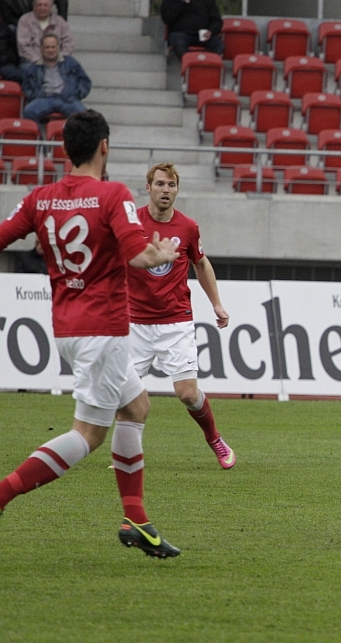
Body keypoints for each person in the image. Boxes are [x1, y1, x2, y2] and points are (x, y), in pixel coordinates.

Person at [0, 109, 183, 558]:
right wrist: (160, 255)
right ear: (105, 146)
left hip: (68, 327)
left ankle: (136, 519)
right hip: (104, 330)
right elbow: (138, 255)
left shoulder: (40, 198)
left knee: (136, 406)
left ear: (66, 149)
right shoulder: (112, 194)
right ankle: (3, 494)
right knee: (87, 434)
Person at [126, 163, 236, 469]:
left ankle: (214, 438)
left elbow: (200, 263)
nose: (165, 190)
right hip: (134, 323)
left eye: (171, 185)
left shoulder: (187, 227)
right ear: (148, 188)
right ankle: (128, 454)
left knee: (187, 394)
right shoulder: (131, 223)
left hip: (175, 321)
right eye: (160, 184)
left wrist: (216, 304)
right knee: (126, 396)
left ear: (177, 190)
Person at [21, 32, 88, 124]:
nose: (50, 50)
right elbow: (26, 86)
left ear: (58, 47)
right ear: (41, 48)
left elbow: (85, 80)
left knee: (83, 115)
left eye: (53, 47)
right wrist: (34, 96)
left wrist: (78, 94)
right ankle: (38, 133)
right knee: (28, 111)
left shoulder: (71, 62)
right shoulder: (33, 68)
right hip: (44, 98)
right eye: (47, 47)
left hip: (67, 99)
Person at [0, 17, 21, 82]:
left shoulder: (5, 28)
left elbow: (13, 47)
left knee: (21, 75)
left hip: (5, 63)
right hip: (4, 64)